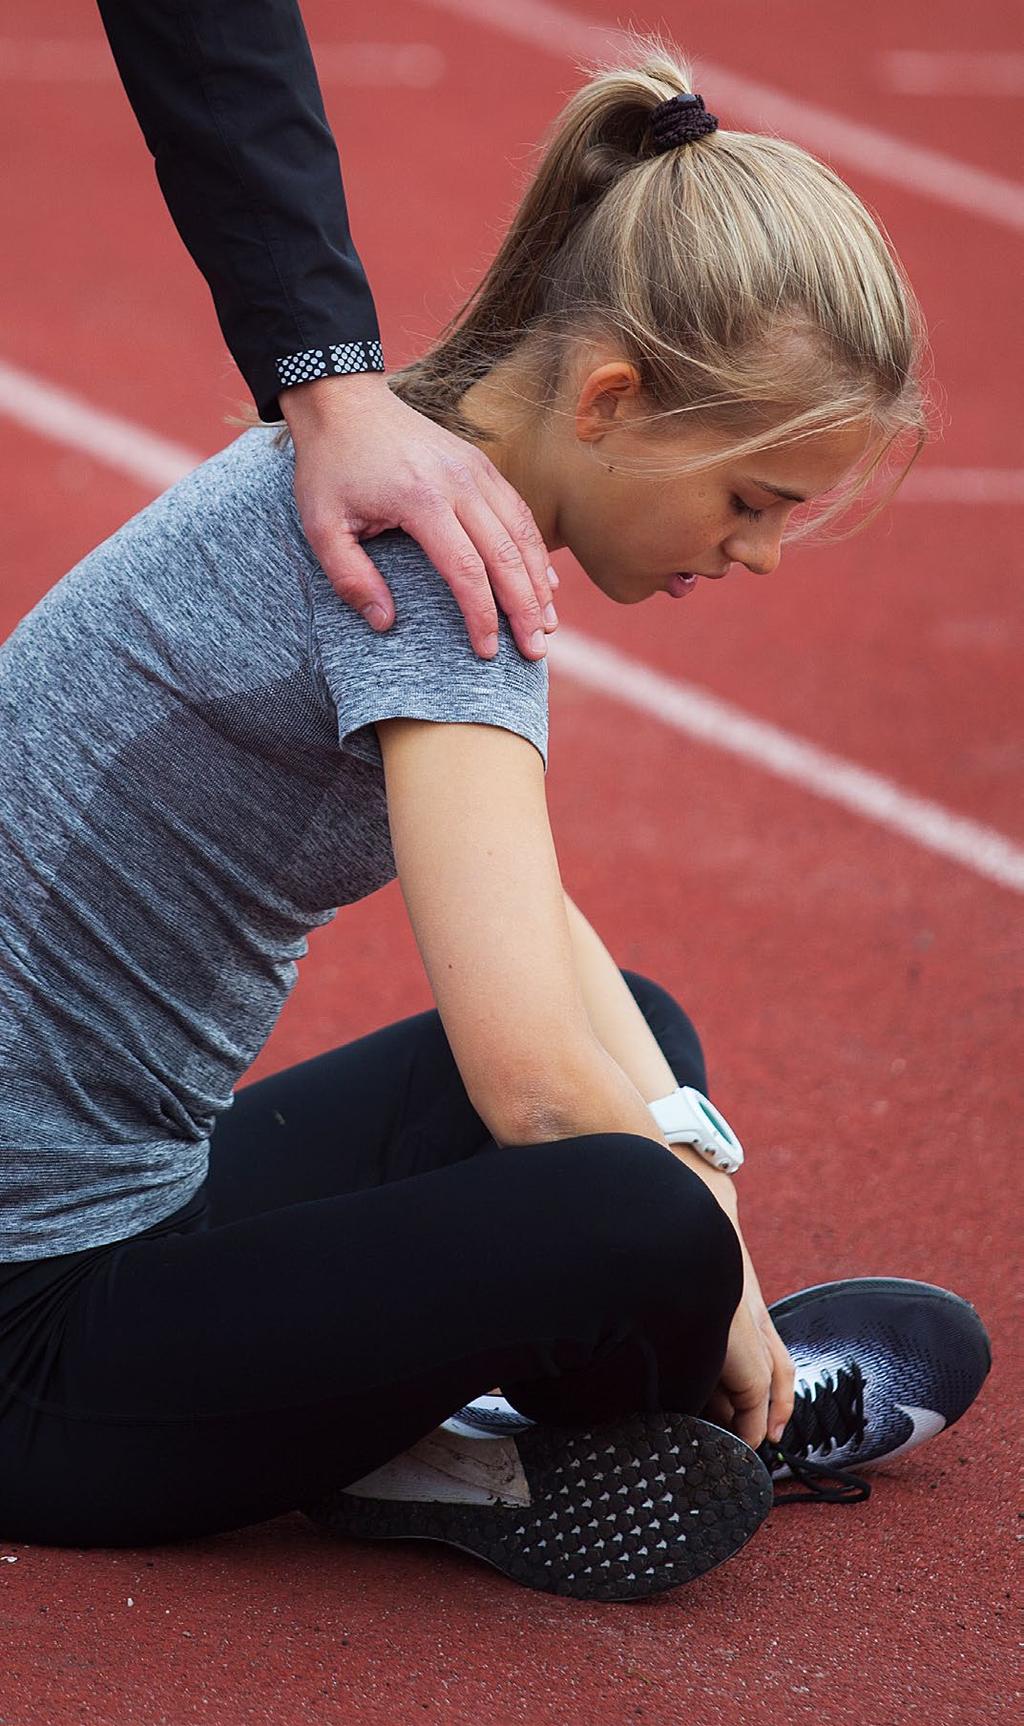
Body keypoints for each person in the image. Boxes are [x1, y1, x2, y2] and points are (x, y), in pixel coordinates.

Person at [0, 46, 990, 1602]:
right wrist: (711, 1252)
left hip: (109, 1212)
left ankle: (454, 1435)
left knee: (647, 1051)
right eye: (753, 501)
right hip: (28, 1348)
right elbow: (531, 1084)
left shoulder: (387, 482)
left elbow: (550, 943)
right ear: (612, 399)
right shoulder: (433, 583)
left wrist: (692, 1145)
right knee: (624, 1213)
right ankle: (692, 1412)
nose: (763, 557)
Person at [95, 0, 558, 663]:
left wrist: (330, 382)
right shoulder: (440, 615)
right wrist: (335, 394)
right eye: (744, 502)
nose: (760, 557)